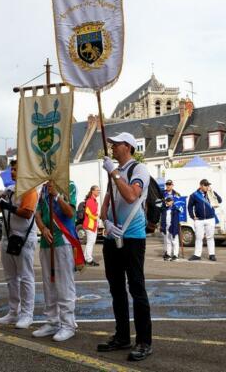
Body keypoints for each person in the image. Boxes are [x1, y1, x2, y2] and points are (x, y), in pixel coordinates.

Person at [98, 132, 152, 362]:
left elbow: (131, 196)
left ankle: (144, 341)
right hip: (113, 238)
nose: (111, 147)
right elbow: (105, 207)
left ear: (128, 147)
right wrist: (106, 223)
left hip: (133, 237)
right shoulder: (115, 174)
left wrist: (113, 172)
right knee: (116, 290)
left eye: (116, 144)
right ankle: (122, 336)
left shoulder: (137, 170)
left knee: (137, 289)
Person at [32, 180, 81, 342]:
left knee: (64, 285)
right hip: (46, 242)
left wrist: (57, 196)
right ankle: (52, 321)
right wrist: (43, 228)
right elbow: (37, 213)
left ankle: (68, 325)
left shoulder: (69, 185)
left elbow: (70, 213)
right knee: (48, 285)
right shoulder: (43, 188)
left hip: (63, 240)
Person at [0, 160, 39, 329]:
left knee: (26, 277)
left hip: (23, 238)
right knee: (10, 277)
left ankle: (27, 314)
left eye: (15, 169)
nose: (12, 172)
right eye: (11, 169)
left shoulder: (30, 190)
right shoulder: (10, 190)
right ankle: (14, 311)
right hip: (7, 237)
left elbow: (27, 213)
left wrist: (8, 206)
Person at [187, 179, 222, 261]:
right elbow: (189, 206)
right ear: (201, 186)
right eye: (205, 185)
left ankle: (212, 254)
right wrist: (192, 216)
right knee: (199, 237)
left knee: (210, 237)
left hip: (210, 219)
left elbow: (220, 200)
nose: (207, 187)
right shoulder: (194, 195)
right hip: (199, 220)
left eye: (208, 185)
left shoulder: (211, 193)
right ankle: (197, 255)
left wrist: (213, 192)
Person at [83, 185, 101, 267]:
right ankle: (88, 259)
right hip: (90, 225)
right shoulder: (90, 201)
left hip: (92, 224)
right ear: (93, 191)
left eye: (99, 190)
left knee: (90, 242)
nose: (98, 192)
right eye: (97, 190)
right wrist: (96, 217)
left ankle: (86, 258)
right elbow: (88, 212)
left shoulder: (94, 201)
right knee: (91, 242)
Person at [161, 197, 182, 261]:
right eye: (167, 201)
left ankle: (175, 255)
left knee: (174, 241)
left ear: (172, 201)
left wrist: (175, 229)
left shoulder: (175, 209)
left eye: (169, 201)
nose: (168, 202)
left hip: (173, 227)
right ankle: (168, 254)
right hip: (166, 227)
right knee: (168, 241)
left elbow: (176, 221)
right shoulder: (165, 209)